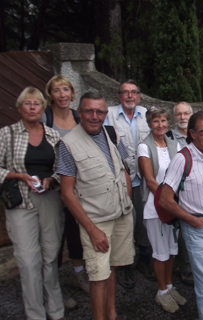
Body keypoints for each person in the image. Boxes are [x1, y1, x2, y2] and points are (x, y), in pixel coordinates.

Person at [59, 91, 134, 320]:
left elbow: (124, 170)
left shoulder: (112, 134)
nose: (94, 116)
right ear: (79, 112)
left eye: (99, 111)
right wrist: (92, 230)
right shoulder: (67, 144)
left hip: (121, 215)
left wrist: (128, 201)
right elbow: (66, 193)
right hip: (96, 223)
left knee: (112, 269)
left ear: (105, 114)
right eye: (89, 111)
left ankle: (112, 314)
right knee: (98, 277)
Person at [0, 87, 65, 320]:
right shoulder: (7, 134)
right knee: (28, 261)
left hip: (49, 199)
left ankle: (56, 310)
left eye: (37, 104)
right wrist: (18, 176)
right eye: (27, 103)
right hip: (21, 202)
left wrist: (52, 179)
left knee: (50, 256)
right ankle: (35, 314)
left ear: (43, 108)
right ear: (19, 108)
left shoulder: (53, 135)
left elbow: (62, 169)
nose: (32, 107)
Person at [158, 111, 203, 320]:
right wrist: (191, 219)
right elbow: (164, 199)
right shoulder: (182, 158)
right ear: (192, 134)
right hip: (196, 227)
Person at [43, 75, 90, 309]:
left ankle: (79, 272)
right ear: (50, 95)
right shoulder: (45, 118)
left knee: (75, 229)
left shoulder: (77, 116)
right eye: (56, 90)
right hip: (50, 186)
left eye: (65, 89)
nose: (62, 95)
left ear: (72, 93)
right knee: (52, 238)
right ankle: (52, 288)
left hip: (76, 184)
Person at [104, 80, 153, 288]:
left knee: (144, 221)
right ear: (119, 96)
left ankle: (144, 259)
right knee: (123, 224)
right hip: (121, 179)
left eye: (133, 92)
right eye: (125, 93)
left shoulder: (146, 114)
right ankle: (125, 266)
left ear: (139, 96)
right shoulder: (109, 115)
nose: (130, 96)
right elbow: (107, 144)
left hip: (144, 179)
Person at [137, 107, 186, 313]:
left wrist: (175, 201)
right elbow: (150, 180)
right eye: (156, 121)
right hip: (155, 205)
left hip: (172, 204)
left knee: (171, 249)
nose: (160, 125)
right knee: (159, 251)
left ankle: (170, 286)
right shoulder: (144, 146)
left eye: (164, 121)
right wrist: (167, 200)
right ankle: (162, 291)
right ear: (150, 124)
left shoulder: (174, 143)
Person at [167, 101, 195, 286]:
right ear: (174, 117)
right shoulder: (168, 137)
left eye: (186, 114)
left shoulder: (197, 134)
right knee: (183, 233)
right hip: (176, 192)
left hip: (196, 190)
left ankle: (194, 265)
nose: (183, 117)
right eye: (179, 114)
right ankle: (185, 270)